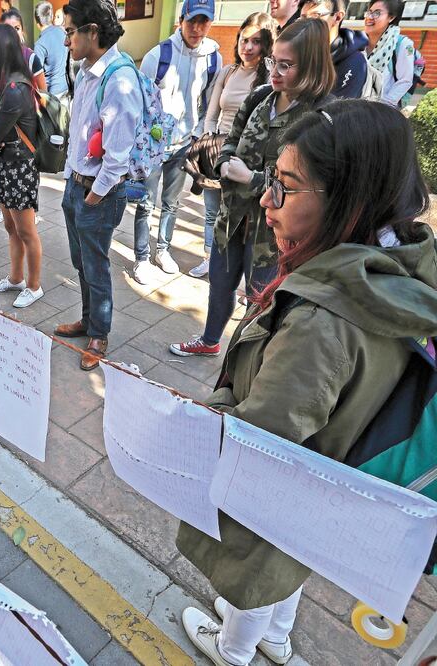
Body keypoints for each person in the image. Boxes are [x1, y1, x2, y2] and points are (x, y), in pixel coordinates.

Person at [178, 99, 437, 666]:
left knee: (258, 564)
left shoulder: (324, 320)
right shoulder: (398, 260)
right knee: (292, 561)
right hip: (330, 473)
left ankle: (235, 651)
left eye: (287, 187)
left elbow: (262, 437)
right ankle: (276, 637)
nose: (268, 199)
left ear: (349, 200)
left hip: (284, 486)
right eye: (271, 179)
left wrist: (196, 415)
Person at [171, 18, 336, 358]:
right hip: (232, 218)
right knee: (220, 286)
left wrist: (254, 178)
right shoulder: (262, 95)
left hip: (272, 232)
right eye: (273, 61)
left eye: (286, 65)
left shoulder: (319, 117)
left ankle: (246, 361)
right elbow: (231, 138)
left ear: (312, 67)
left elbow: (310, 186)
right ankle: (210, 340)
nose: (274, 71)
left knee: (261, 300)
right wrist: (224, 162)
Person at [54, 0, 142, 370]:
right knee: (81, 262)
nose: (66, 41)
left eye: (70, 32)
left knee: (96, 265)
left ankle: (99, 334)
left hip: (97, 192)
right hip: (77, 185)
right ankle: (88, 320)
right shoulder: (88, 70)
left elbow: (117, 156)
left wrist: (92, 194)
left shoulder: (119, 80)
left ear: (93, 32)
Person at [131, 0, 222, 284]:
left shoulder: (213, 59)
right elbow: (140, 103)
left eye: (204, 21)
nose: (197, 28)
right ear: (181, 19)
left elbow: (208, 103)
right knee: (146, 203)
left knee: (171, 202)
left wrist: (197, 134)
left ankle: (163, 250)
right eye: (192, 20)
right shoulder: (158, 55)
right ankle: (142, 258)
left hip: (184, 146)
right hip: (155, 148)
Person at [189, 13, 274, 279]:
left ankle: (239, 270)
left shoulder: (269, 78)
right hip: (218, 153)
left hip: (248, 158)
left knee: (245, 217)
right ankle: (211, 258)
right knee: (212, 211)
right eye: (243, 39)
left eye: (256, 42)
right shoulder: (228, 72)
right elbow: (211, 114)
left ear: (266, 44)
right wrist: (210, 143)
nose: (247, 47)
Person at [0, 23, 44, 308]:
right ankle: (16, 278)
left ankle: (34, 285)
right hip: (5, 166)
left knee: (26, 231)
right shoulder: (1, 84)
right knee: (10, 227)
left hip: (19, 169)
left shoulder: (14, 90)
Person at [301, 0, 370, 99]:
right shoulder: (299, 52)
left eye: (315, 16)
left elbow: (335, 110)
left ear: (337, 17)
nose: (306, 25)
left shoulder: (354, 62)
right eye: (303, 18)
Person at [364, 0, 414, 107]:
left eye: (377, 13)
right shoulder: (359, 41)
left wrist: (383, 106)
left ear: (391, 18)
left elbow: (405, 80)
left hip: (380, 110)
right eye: (369, 12)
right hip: (355, 106)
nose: (370, 17)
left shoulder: (402, 44)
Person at [0, 9, 48, 92]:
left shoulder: (31, 58)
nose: (13, 33)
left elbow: (44, 94)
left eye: (17, 28)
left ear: (22, 31)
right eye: (8, 29)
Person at [34, 0, 70, 99]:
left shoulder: (40, 45)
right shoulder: (63, 32)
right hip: (65, 88)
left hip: (51, 95)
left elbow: (38, 75)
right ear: (52, 16)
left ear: (36, 21)